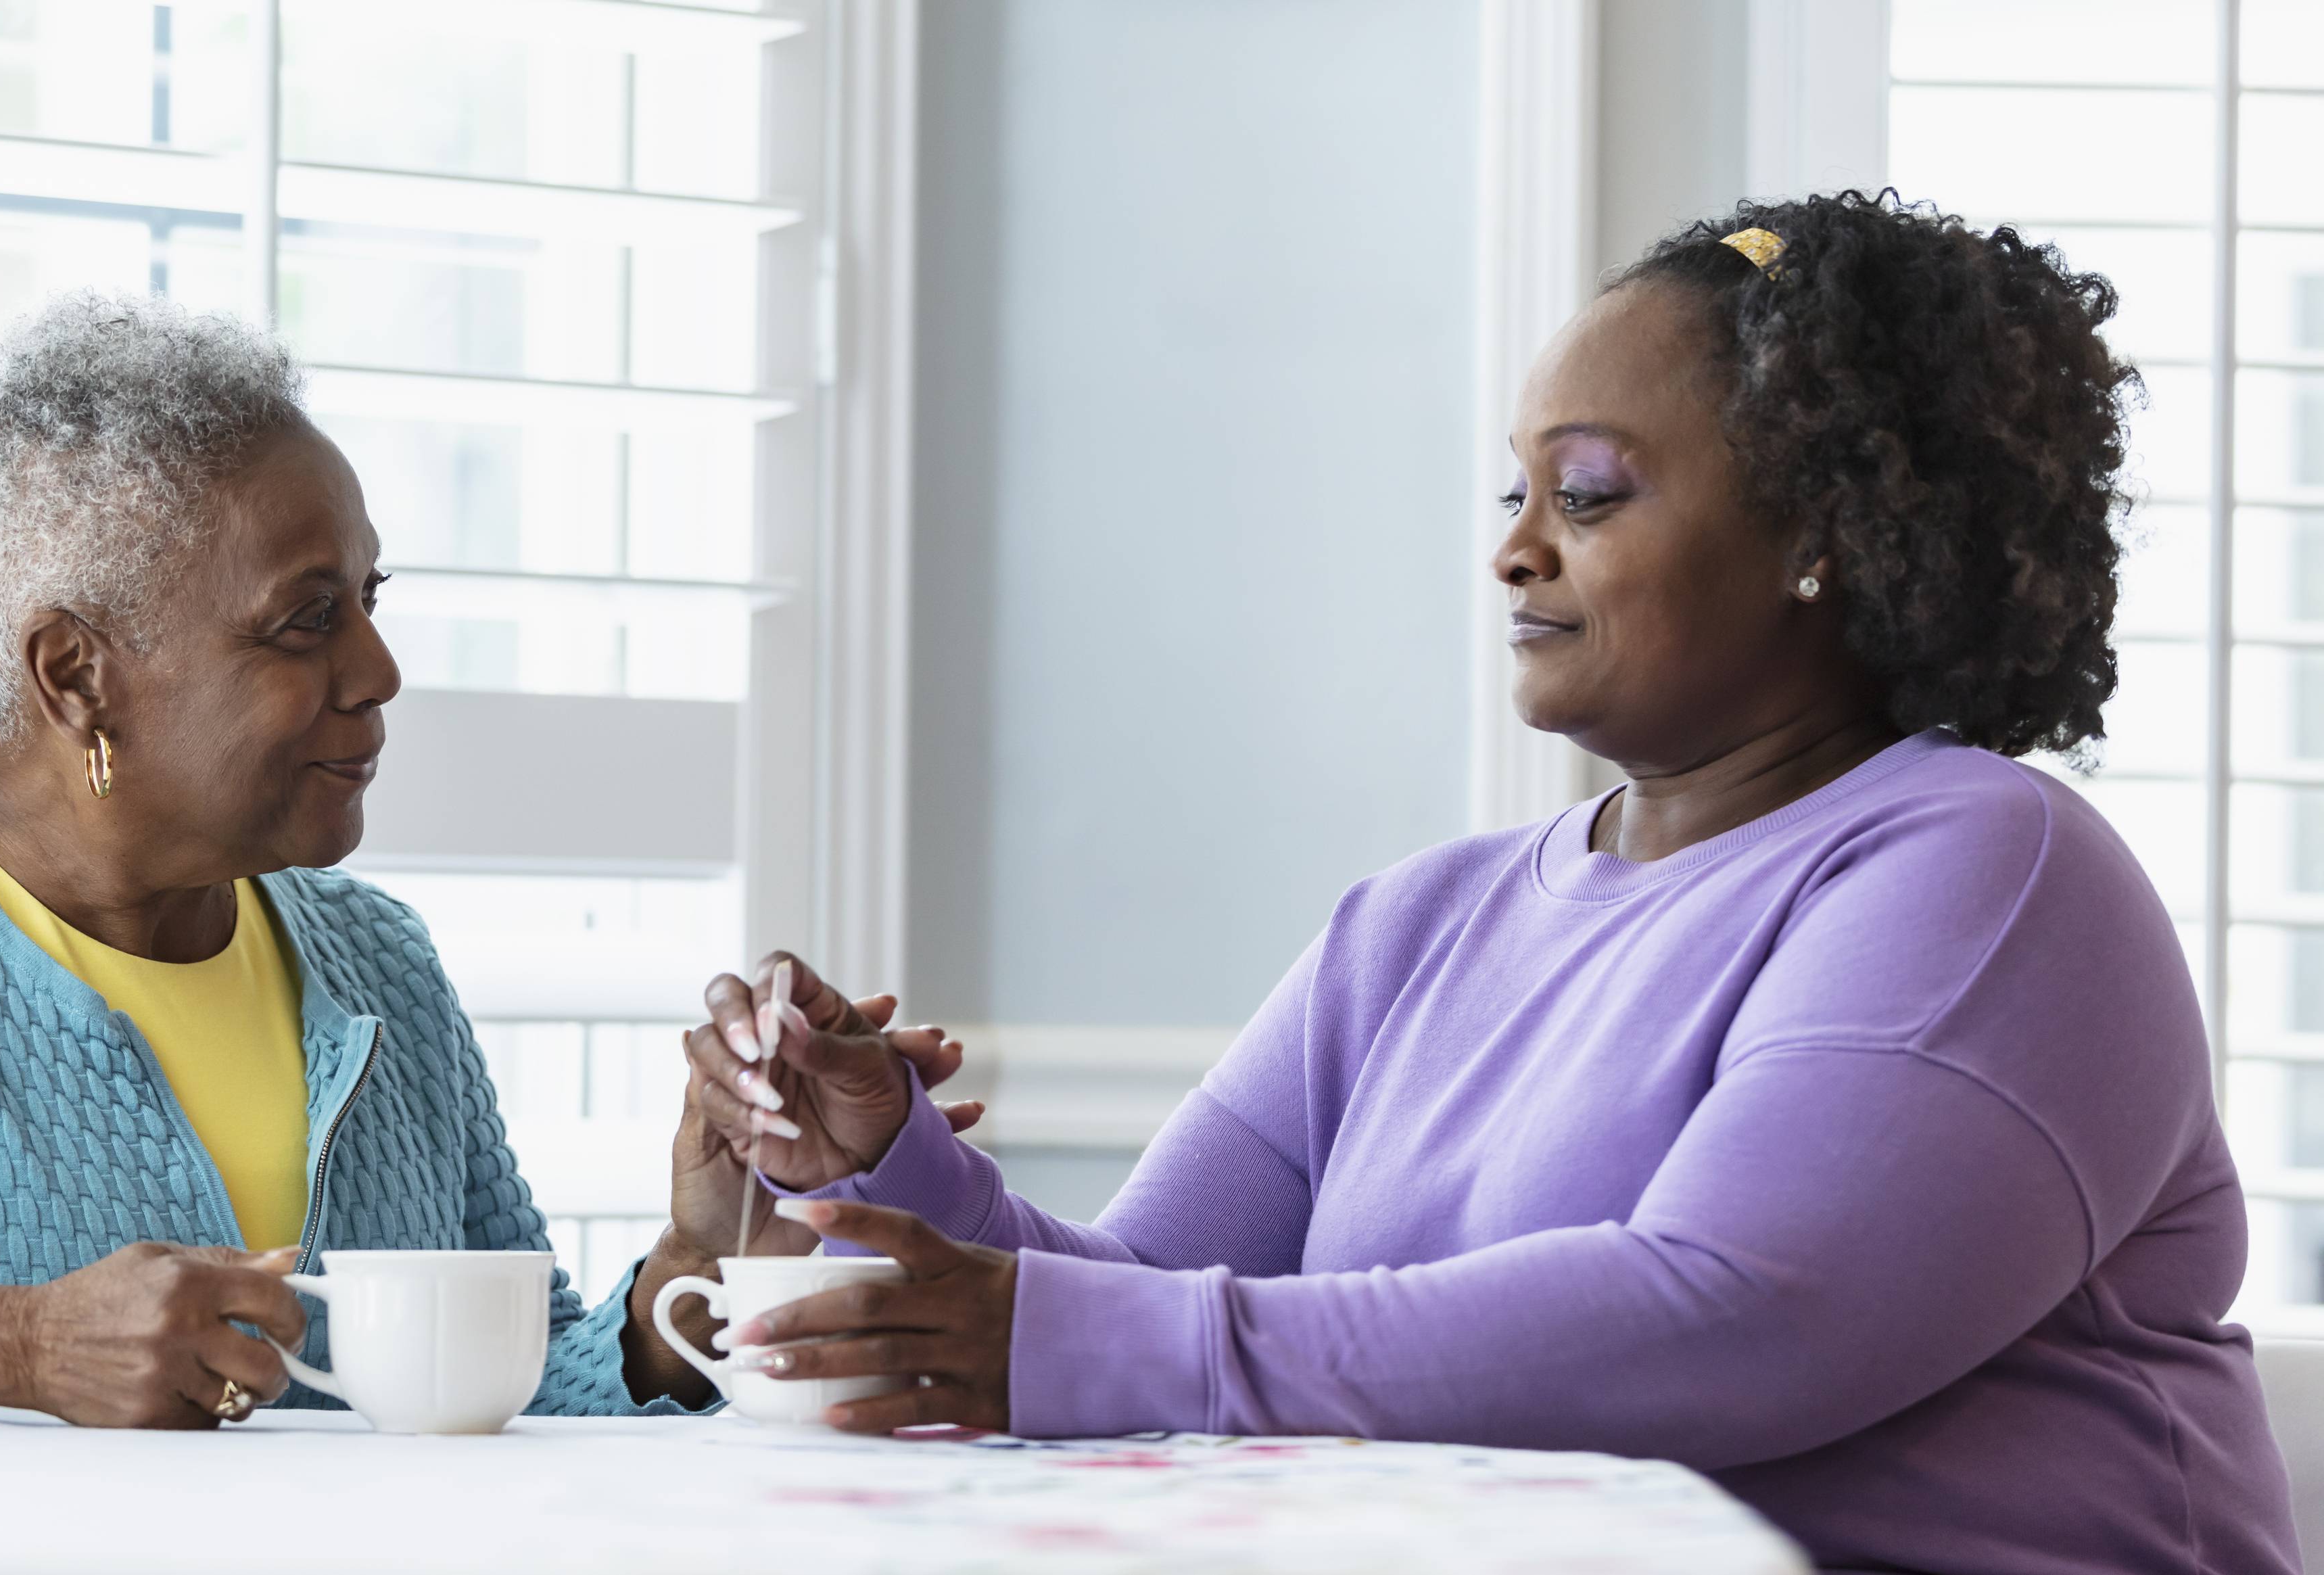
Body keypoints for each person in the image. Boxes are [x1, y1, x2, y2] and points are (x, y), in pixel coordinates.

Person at [681, 195, 2300, 1573]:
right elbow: (1149, 1311)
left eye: (1587, 494)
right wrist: (892, 1170)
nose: (1518, 548)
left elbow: (1736, 1324)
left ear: (1825, 533)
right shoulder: (1416, 924)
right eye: (1513, 494)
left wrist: (1065, 1332)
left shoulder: (1984, 867)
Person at [0, 291, 970, 1427]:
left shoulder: (375, 966)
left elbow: (497, 1391)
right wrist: (15, 1345)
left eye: (371, 596)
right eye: (307, 618)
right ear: (77, 673)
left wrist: (686, 1266)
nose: (380, 670)